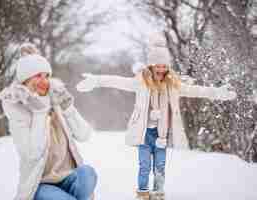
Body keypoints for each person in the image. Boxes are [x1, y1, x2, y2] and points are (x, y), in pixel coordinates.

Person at [76, 37, 236, 200]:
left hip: (162, 134)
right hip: (144, 133)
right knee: (144, 165)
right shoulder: (140, 82)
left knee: (160, 166)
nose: (161, 69)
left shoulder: (172, 85)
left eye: (164, 66)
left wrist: (216, 93)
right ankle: (143, 193)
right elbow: (117, 81)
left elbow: (195, 90)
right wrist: (96, 80)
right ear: (151, 66)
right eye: (158, 65)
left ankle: (158, 193)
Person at [0, 43, 97, 200]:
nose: (44, 81)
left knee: (87, 173)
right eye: (38, 76)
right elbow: (32, 153)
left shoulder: (55, 99)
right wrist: (39, 113)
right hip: (40, 184)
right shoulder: (18, 110)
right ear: (25, 80)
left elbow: (84, 135)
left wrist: (68, 108)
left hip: (67, 177)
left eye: (46, 76)